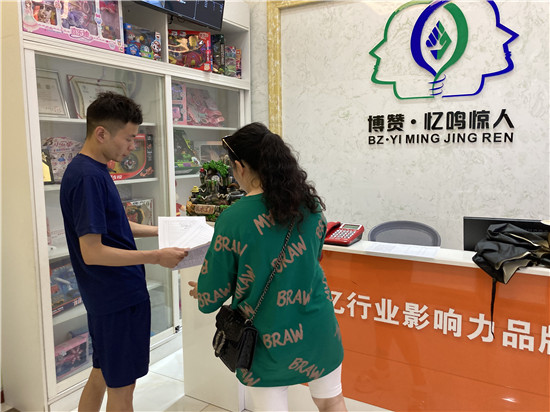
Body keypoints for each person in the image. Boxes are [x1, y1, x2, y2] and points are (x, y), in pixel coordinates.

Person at [188, 122, 347, 412]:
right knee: (331, 402)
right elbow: (312, 259)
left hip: (264, 340)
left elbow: (210, 299)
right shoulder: (311, 206)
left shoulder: (233, 218)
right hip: (319, 329)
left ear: (240, 167)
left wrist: (202, 290)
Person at [60, 92, 189, 411]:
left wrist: (161, 231)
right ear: (101, 133)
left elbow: (114, 225)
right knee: (122, 388)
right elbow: (93, 252)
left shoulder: (91, 169)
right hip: (117, 298)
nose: (133, 146)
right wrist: (156, 256)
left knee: (102, 374)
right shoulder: (89, 177)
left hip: (107, 297)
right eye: (129, 138)